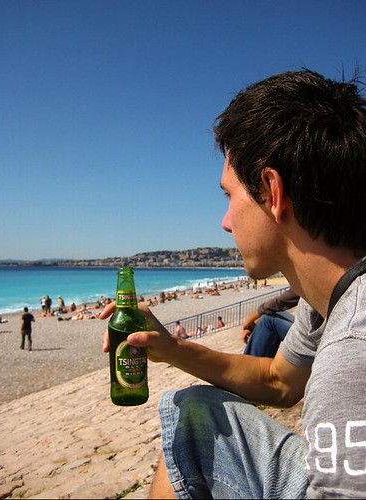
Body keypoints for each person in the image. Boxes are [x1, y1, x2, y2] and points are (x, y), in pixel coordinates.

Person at [101, 69, 366, 498]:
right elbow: (279, 380)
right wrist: (171, 350)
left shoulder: (352, 357)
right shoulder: (328, 301)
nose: (225, 223)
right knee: (195, 416)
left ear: (272, 191)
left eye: (229, 196)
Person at [242, 287, 299, 357]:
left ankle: (251, 363)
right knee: (272, 314)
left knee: (267, 321)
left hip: (313, 340)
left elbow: (281, 301)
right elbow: (275, 305)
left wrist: (248, 322)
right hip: (312, 329)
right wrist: (253, 324)